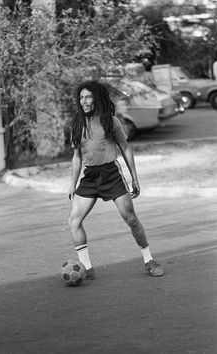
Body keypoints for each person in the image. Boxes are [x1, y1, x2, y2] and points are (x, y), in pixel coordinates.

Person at [67, 81, 164, 280]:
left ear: (97, 98)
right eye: (81, 97)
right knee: (73, 221)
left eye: (88, 97)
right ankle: (87, 267)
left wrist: (134, 178)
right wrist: (72, 183)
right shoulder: (77, 123)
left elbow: (125, 147)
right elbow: (76, 157)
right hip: (90, 177)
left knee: (130, 218)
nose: (83, 101)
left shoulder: (111, 121)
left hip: (111, 174)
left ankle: (149, 260)